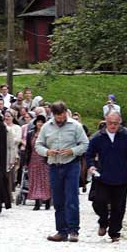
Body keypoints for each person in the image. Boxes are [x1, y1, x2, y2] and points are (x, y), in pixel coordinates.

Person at [37, 101, 90, 243]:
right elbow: (38, 145)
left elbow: (85, 144)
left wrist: (72, 151)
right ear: (53, 115)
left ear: (66, 112)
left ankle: (73, 230)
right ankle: (61, 231)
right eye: (58, 116)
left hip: (71, 165)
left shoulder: (76, 126)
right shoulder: (46, 127)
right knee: (58, 199)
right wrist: (47, 152)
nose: (61, 118)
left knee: (72, 198)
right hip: (54, 165)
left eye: (63, 115)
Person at [86, 110, 127, 242]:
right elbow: (89, 154)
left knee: (118, 207)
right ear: (106, 121)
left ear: (120, 122)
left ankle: (114, 232)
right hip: (102, 176)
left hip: (121, 176)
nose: (113, 126)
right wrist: (91, 166)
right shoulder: (98, 137)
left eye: (115, 123)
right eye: (110, 123)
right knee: (99, 202)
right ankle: (103, 221)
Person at [23, 115, 51, 210]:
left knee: (45, 181)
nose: (40, 123)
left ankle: (47, 200)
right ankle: (37, 202)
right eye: (38, 122)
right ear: (35, 123)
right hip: (33, 159)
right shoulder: (31, 133)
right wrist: (26, 162)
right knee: (35, 181)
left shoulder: (47, 134)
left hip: (44, 160)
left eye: (42, 122)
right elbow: (28, 148)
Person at [3, 109, 23, 207]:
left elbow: (17, 139)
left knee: (11, 175)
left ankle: (10, 193)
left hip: (13, 152)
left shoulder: (17, 127)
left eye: (9, 116)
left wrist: (9, 136)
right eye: (6, 116)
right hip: (3, 152)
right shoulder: (2, 126)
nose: (7, 118)